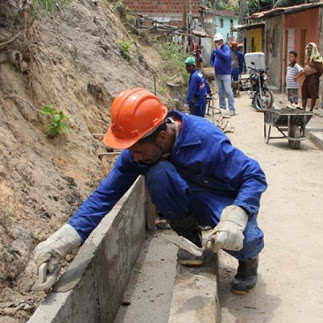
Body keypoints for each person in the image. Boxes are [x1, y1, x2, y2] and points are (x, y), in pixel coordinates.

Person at [33, 88, 266, 295]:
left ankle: (248, 262)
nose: (133, 157)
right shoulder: (136, 153)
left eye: (137, 150)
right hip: (187, 198)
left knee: (250, 240)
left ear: (162, 137)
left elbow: (253, 175)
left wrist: (236, 215)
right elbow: (103, 197)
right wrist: (62, 242)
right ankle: (189, 235)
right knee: (158, 173)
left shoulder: (205, 139)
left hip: (220, 197)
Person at [210, 32, 236, 116]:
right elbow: (211, 59)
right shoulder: (214, 50)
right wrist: (213, 65)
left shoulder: (226, 49)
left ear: (221, 41)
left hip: (226, 74)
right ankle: (222, 108)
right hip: (218, 74)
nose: (217, 43)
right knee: (220, 91)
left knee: (228, 91)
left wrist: (219, 50)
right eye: (216, 41)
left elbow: (227, 57)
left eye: (218, 41)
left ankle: (232, 109)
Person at [297, 42, 323, 112]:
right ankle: (303, 108)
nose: (309, 50)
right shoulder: (307, 58)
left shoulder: (317, 59)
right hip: (307, 78)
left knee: (313, 93)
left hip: (313, 78)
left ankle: (311, 109)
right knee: (304, 91)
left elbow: (320, 70)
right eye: (308, 48)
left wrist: (314, 76)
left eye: (310, 49)